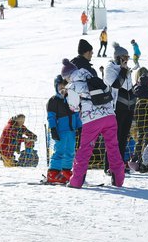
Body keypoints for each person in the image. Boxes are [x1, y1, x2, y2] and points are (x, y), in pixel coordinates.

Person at [61, 58, 124, 188]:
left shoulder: (73, 86)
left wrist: (68, 96)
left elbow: (74, 107)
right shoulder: (92, 77)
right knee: (113, 148)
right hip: (110, 116)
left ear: (68, 76)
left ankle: (76, 181)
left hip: (92, 120)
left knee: (84, 150)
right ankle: (118, 180)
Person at [104, 43, 135, 174]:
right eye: (124, 57)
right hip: (115, 109)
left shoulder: (126, 69)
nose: (127, 59)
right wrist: (122, 70)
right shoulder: (110, 68)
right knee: (113, 138)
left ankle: (120, 163)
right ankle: (109, 165)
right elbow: (116, 84)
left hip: (127, 108)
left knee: (123, 137)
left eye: (128, 57)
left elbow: (129, 87)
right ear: (118, 57)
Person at [46, 77, 82, 184]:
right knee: (59, 151)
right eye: (60, 86)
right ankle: (53, 173)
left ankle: (66, 171)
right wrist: (53, 129)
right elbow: (51, 116)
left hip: (71, 130)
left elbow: (76, 114)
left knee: (70, 152)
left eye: (65, 86)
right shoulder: (53, 100)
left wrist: (80, 127)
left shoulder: (71, 99)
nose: (63, 88)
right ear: (56, 87)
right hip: (60, 130)